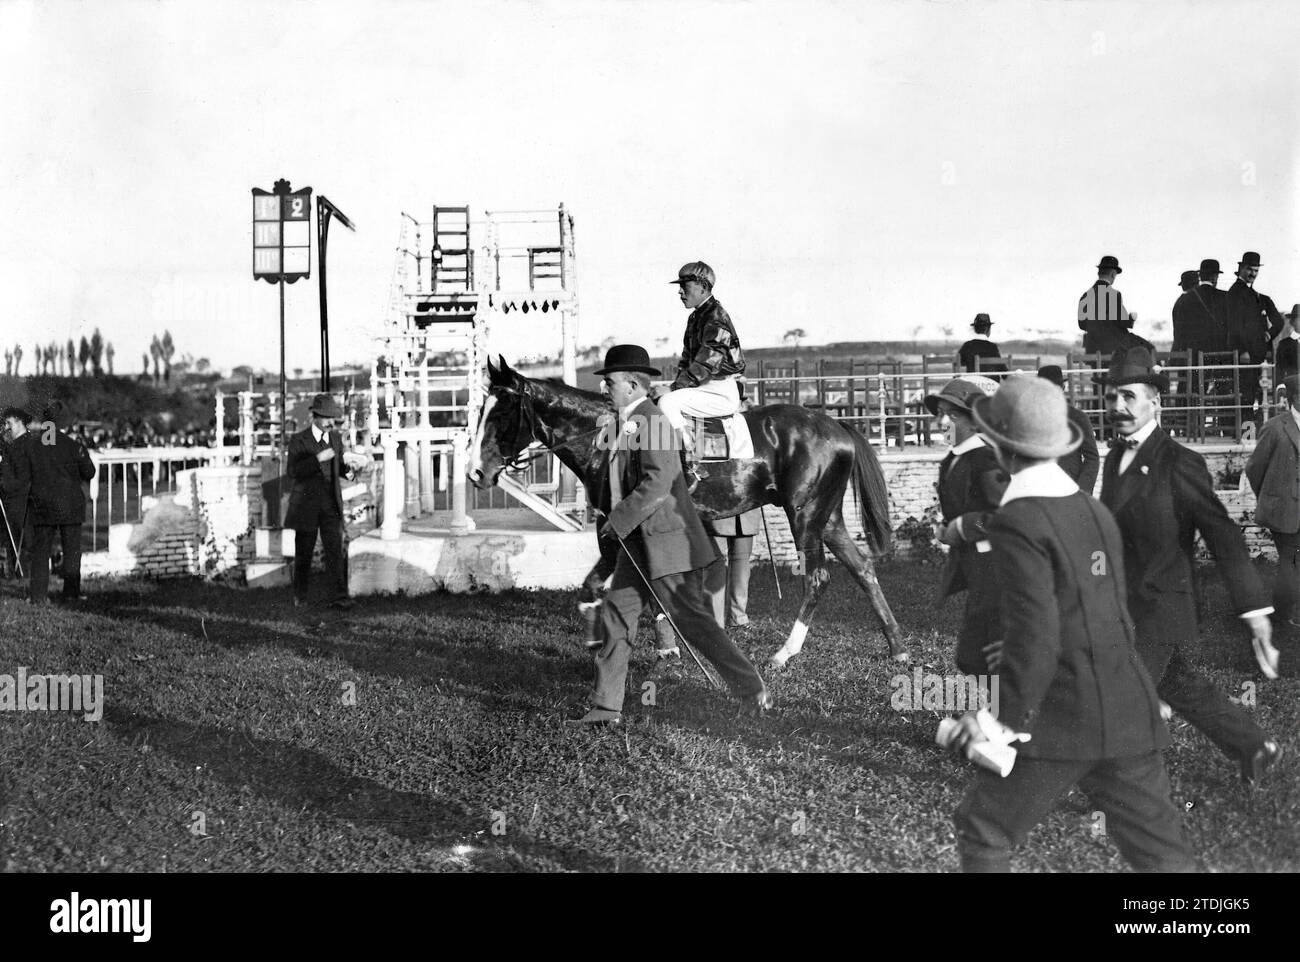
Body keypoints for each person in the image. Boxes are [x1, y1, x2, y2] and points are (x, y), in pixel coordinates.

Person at [949, 374, 1195, 873]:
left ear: (1000, 446)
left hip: (1062, 718)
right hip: (1129, 710)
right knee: (1161, 855)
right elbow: (1107, 613)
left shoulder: (1018, 519)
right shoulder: (1092, 509)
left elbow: (1035, 631)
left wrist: (1000, 721)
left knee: (986, 829)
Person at [1098, 347, 1282, 782]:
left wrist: (1254, 612)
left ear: (1154, 402)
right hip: (1126, 605)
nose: (1118, 407)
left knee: (1116, 693)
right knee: (1177, 683)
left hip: (1161, 605)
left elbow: (1223, 535)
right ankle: (1256, 745)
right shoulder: (1115, 459)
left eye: (1128, 396)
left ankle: (1125, 792)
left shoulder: (1179, 462)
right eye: (1111, 398)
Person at [568, 344, 770, 727]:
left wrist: (618, 519)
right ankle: (606, 707)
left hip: (668, 542)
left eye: (609, 382)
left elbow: (658, 481)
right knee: (616, 616)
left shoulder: (654, 421)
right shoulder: (626, 423)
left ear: (631, 384)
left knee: (693, 623)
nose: (604, 390)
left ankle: (752, 688)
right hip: (640, 545)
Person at [924, 376, 1005, 675]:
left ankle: (1001, 716)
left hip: (1000, 570)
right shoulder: (953, 459)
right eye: (941, 413)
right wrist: (947, 529)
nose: (942, 421)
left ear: (975, 422)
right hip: (977, 571)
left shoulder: (985, 459)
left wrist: (964, 527)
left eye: (953, 415)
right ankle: (994, 713)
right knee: (971, 657)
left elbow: (1009, 516)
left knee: (987, 654)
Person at [657, 262, 746, 485]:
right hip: (704, 386)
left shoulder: (715, 318)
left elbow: (707, 363)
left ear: (702, 287)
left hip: (719, 391)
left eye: (684, 286)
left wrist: (673, 388)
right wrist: (676, 383)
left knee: (668, 403)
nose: (679, 292)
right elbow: (688, 359)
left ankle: (689, 463)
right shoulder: (696, 317)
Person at [10, 402, 96, 603]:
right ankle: (71, 594)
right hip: (70, 503)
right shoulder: (73, 445)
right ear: (62, 422)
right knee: (72, 550)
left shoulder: (32, 445)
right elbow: (90, 472)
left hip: (41, 504)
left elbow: (22, 477)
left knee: (41, 552)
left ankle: (38, 597)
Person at [284, 393, 359, 610]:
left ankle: (340, 598)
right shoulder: (299, 439)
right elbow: (293, 472)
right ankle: (300, 597)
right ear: (314, 416)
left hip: (330, 506)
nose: (330, 422)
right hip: (306, 507)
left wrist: (351, 472)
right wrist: (317, 459)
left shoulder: (335, 439)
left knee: (335, 552)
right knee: (304, 554)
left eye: (332, 418)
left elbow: (340, 468)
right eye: (326, 417)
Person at [1246, 374, 1300, 642]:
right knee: (1291, 562)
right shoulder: (1275, 427)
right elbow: (1254, 468)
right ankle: (1282, 616)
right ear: (1295, 398)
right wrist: (1270, 497)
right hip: (1285, 510)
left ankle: (1283, 613)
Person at [1224, 252, 1284, 429]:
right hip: (1246, 355)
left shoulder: (1257, 296)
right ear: (1241, 269)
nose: (1253, 273)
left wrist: (1268, 335)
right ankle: (1246, 434)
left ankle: (1252, 431)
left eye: (1256, 270)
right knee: (1247, 394)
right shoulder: (1234, 293)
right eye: (1249, 269)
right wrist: (1243, 351)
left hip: (1258, 354)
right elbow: (1234, 325)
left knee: (1257, 393)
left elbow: (1279, 322)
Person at [1036, 366, 1099, 493]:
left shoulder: (1078, 418)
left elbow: (1092, 458)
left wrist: (1081, 491)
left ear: (1063, 389)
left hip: (1069, 488)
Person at [703, 507, 762, 629]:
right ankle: (714, 622)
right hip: (718, 510)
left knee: (742, 563)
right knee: (715, 564)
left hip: (747, 512)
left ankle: (738, 618)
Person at [0, 406, 34, 579]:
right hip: (10, 499)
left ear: (20, 422)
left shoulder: (28, 443)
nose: (6, 427)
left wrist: (4, 483)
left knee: (23, 538)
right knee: (10, 537)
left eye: (9, 423)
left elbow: (23, 476)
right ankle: (13, 572)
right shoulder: (11, 444)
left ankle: (24, 574)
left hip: (22, 499)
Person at [1077, 255, 1135, 355]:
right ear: (1113, 274)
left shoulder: (1085, 296)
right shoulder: (1112, 294)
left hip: (1092, 350)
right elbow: (1123, 322)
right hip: (1112, 351)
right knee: (1148, 350)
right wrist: (1132, 318)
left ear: (1098, 272)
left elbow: (1082, 325)